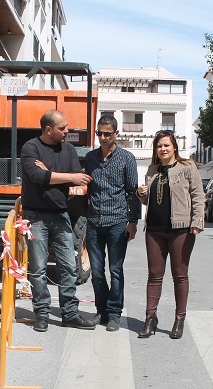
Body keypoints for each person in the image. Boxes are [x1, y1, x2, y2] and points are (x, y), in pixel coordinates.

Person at [20, 109, 98, 332]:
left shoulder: (69, 149)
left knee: (68, 267)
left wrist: (52, 175)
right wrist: (66, 177)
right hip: (35, 215)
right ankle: (42, 314)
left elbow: (77, 183)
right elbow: (37, 176)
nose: (67, 131)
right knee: (37, 269)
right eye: (62, 128)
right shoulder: (30, 147)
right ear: (48, 129)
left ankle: (70, 314)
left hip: (61, 214)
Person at [136, 130, 205, 339]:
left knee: (180, 275)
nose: (163, 149)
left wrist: (197, 222)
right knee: (154, 276)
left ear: (174, 146)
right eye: (159, 146)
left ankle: (179, 319)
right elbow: (148, 201)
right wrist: (142, 195)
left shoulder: (187, 167)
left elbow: (198, 195)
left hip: (181, 229)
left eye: (166, 145)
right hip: (154, 230)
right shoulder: (152, 170)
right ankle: (150, 317)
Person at [83, 115, 141, 332]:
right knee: (96, 272)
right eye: (99, 133)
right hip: (94, 221)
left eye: (107, 133)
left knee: (115, 270)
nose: (103, 137)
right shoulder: (90, 158)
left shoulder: (127, 158)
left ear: (116, 134)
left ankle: (115, 313)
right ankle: (102, 311)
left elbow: (132, 192)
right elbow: (85, 188)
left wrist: (133, 221)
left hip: (117, 222)